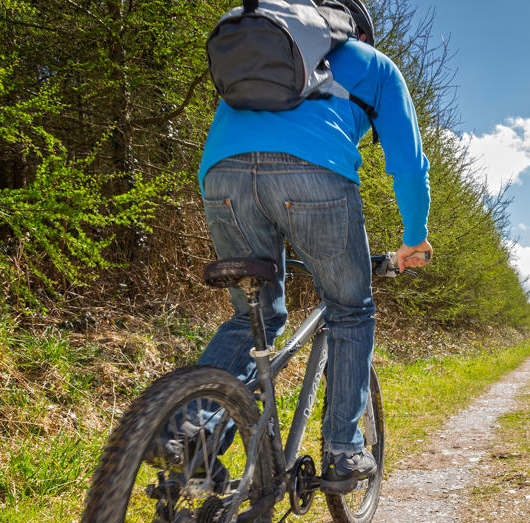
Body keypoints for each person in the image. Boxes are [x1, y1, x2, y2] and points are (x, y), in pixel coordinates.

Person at [183, 0, 431, 483]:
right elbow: (409, 167)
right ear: (359, 30)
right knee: (350, 309)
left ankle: (189, 428)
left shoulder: (263, 55)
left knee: (253, 315)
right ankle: (343, 447)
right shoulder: (374, 64)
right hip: (315, 179)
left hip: (221, 180)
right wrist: (413, 239)